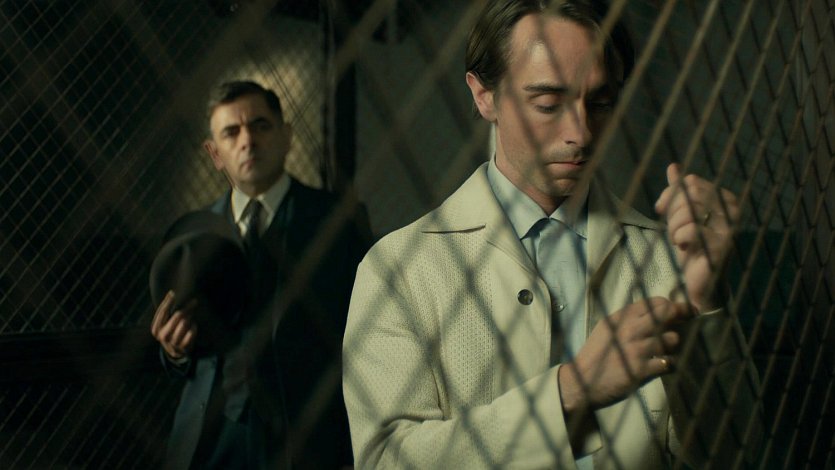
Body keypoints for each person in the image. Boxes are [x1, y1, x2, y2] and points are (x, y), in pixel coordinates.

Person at [342, 1, 761, 468]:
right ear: (483, 96)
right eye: (547, 104)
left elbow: (738, 455)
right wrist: (571, 391)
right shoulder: (398, 269)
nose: (581, 133)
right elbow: (384, 461)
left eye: (600, 103)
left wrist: (707, 304)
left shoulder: (666, 257)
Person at [151, 80, 368, 469]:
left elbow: (367, 328)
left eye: (260, 125)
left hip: (306, 438)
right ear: (215, 154)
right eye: (231, 133)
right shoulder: (191, 236)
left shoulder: (338, 221)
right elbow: (179, 348)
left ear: (286, 137)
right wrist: (174, 352)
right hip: (214, 435)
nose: (247, 141)